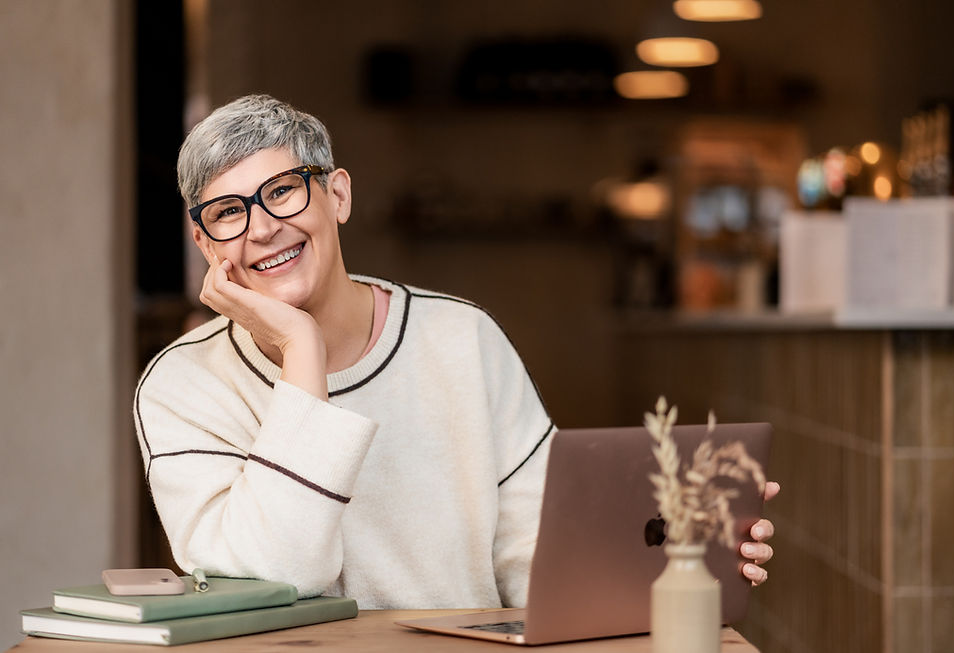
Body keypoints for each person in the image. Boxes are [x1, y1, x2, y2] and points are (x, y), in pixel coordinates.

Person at [133, 94, 777, 609]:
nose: (263, 226)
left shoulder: (461, 339)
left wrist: (678, 567)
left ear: (337, 196)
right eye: (227, 211)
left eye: (282, 192)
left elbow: (537, 556)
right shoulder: (183, 386)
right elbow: (275, 581)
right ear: (204, 242)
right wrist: (302, 350)